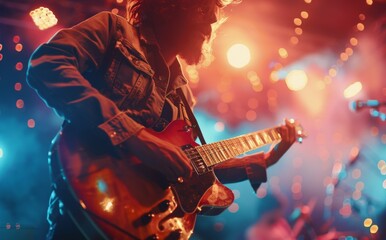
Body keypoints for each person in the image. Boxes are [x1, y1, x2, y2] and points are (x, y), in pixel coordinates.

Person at [26, 0, 297, 239]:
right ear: (170, 6)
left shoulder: (184, 96)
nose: (213, 20)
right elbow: (47, 64)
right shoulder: (114, 31)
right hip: (87, 212)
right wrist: (135, 136)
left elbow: (187, 164)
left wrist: (260, 161)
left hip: (144, 225)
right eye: (203, 8)